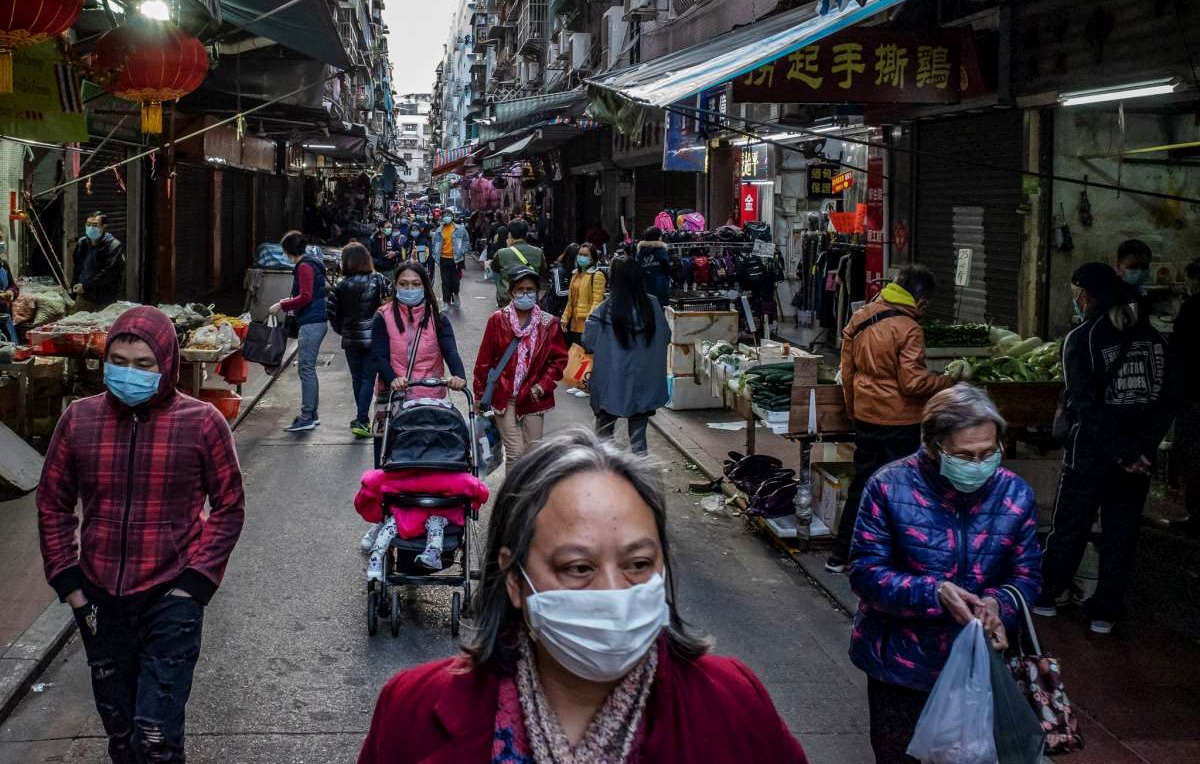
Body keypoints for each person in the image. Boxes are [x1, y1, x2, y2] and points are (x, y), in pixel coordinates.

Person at [357, 429, 810, 764]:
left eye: (637, 564)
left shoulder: (733, 704)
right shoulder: (411, 713)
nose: (614, 592)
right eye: (578, 568)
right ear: (514, 580)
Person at [37, 305, 245, 764]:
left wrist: (194, 585)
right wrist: (69, 584)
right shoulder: (79, 420)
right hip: (98, 601)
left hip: (171, 597)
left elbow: (229, 507)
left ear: (166, 364)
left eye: (143, 364)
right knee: (121, 732)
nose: (129, 373)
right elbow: (53, 502)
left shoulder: (202, 422)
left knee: (155, 737)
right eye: (119, 362)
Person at [848, 384, 1040, 764]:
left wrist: (998, 605)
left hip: (979, 667)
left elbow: (1027, 576)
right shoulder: (888, 487)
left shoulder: (1014, 494)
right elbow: (866, 573)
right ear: (935, 448)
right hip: (900, 670)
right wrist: (934, 592)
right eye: (965, 456)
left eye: (989, 453)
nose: (979, 464)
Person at [1035, 263, 1175, 634]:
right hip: (1138, 457)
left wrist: (1120, 451)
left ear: (1089, 295)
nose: (1077, 301)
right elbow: (1166, 401)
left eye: (1078, 293)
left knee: (1070, 527)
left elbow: (1084, 406)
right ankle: (1105, 612)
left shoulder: (1084, 338)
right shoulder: (1157, 340)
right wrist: (1140, 451)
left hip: (1092, 454)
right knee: (1121, 533)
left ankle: (1048, 596)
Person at [827, 265, 957, 574]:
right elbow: (912, 383)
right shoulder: (909, 328)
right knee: (902, 489)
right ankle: (894, 558)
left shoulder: (862, 315)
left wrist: (853, 408)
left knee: (863, 484)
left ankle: (840, 554)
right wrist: (946, 381)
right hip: (899, 421)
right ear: (921, 301)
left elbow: (847, 371)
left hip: (866, 416)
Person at [367, 261, 467, 471]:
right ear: (395, 285)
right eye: (404, 284)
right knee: (385, 456)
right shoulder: (382, 316)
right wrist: (393, 378)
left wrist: (458, 375)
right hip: (392, 396)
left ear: (425, 286)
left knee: (428, 455)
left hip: (428, 396)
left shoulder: (437, 318)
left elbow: (450, 350)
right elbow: (380, 356)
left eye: (415, 284)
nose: (409, 289)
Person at [474, 268, 568, 467]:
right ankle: (512, 498)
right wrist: (479, 395)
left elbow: (558, 361)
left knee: (533, 456)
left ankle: (527, 497)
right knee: (515, 454)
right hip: (503, 396)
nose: (526, 294)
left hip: (533, 397)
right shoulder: (497, 320)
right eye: (521, 290)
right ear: (511, 293)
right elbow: (484, 361)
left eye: (530, 290)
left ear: (538, 293)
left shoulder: (549, 323)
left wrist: (542, 385)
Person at [584, 257, 669, 456]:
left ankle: (608, 477)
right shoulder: (653, 306)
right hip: (643, 384)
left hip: (610, 385)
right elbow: (666, 336)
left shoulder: (605, 309)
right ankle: (640, 480)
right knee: (639, 440)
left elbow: (588, 341)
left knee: (604, 438)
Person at [329, 242, 392, 439]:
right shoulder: (379, 280)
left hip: (351, 341)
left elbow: (332, 314)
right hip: (374, 339)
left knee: (358, 379)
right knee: (367, 379)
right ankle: (362, 418)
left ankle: (362, 418)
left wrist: (344, 330)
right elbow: (391, 302)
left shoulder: (340, 285)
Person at [270, 230, 328, 433]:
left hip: (312, 322)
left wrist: (281, 305)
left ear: (289, 251)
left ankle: (306, 416)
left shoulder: (304, 266)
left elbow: (305, 296)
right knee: (308, 368)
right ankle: (312, 413)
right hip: (315, 320)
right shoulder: (311, 262)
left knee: (305, 368)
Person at [1172, 259, 1200, 537]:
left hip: (1193, 397)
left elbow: (1179, 351)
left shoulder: (1192, 308)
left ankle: (1196, 517)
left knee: (1192, 457)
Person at [71, 212, 125, 311]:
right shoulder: (82, 243)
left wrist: (86, 285)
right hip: (84, 295)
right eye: (88, 225)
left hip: (104, 298)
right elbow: (78, 268)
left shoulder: (113, 245)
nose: (91, 228)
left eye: (95, 225)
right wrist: (74, 285)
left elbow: (109, 272)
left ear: (104, 227)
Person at [561, 242, 606, 350]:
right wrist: (565, 318)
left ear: (592, 258)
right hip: (574, 324)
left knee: (586, 357)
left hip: (587, 324)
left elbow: (597, 301)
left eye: (586, 255)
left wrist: (590, 320)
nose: (582, 257)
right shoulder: (575, 275)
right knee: (576, 356)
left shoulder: (597, 275)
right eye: (580, 254)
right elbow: (570, 301)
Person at [492, 220, 546, 308]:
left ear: (509, 234)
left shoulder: (501, 253)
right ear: (526, 234)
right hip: (530, 298)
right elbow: (543, 273)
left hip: (508, 299)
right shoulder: (538, 252)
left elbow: (494, 269)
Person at [432, 213, 469, 306]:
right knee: (445, 281)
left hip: (456, 259)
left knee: (455, 281)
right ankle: (446, 302)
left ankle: (456, 294)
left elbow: (466, 240)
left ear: (452, 217)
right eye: (444, 216)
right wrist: (435, 255)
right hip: (443, 259)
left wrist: (463, 250)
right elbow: (434, 244)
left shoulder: (460, 229)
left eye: (448, 215)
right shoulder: (438, 231)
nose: (446, 217)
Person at [636, 227, 671, 308]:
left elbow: (637, 270)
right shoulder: (661, 251)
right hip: (660, 289)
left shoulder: (640, 253)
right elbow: (667, 269)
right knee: (660, 312)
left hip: (644, 289)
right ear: (658, 237)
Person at [543, 242, 578, 317]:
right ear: (572, 258)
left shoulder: (575, 270)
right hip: (558, 309)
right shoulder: (559, 270)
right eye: (578, 257)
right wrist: (576, 292)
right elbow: (559, 292)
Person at [0, 237, 18, 342]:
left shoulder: (3, 264)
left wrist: (11, 293)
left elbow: (13, 286)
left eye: (1, 239)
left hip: (5, 317)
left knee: (10, 351)